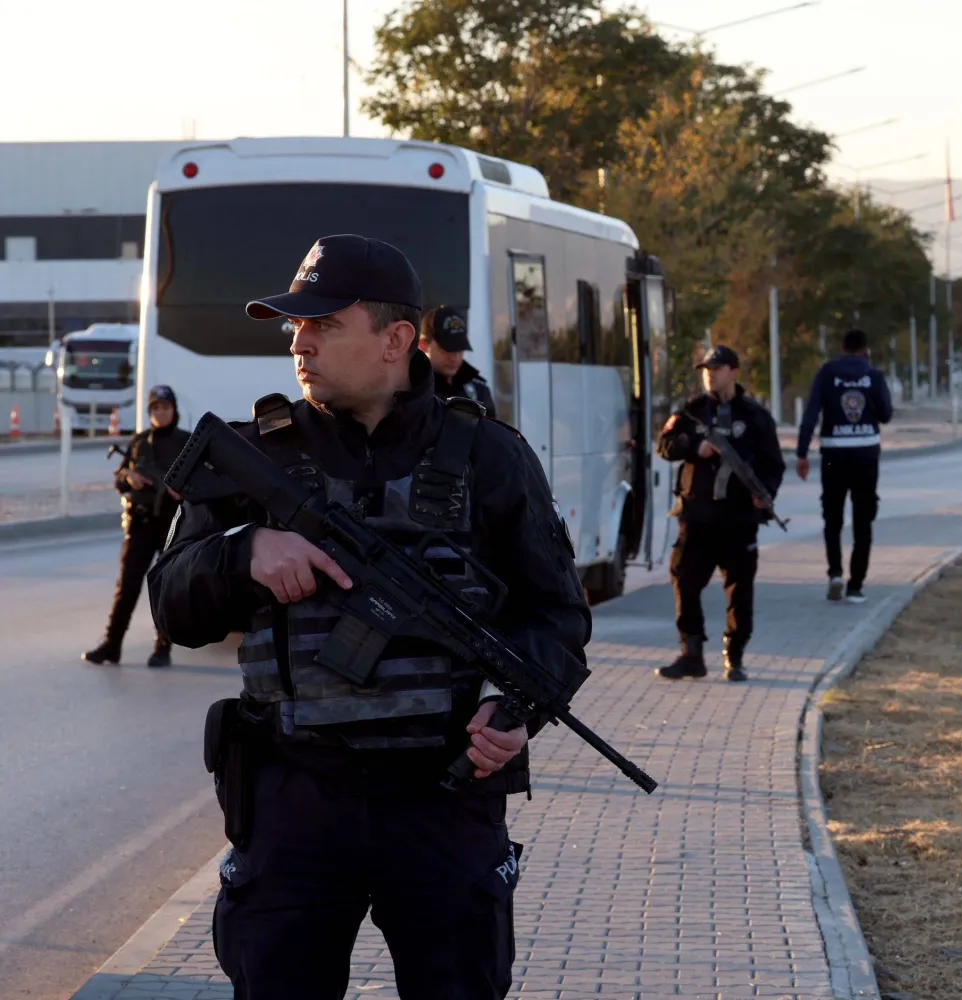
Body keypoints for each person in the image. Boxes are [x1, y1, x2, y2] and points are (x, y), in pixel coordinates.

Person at [146, 234, 589, 1000]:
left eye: (324, 324)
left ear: (396, 341)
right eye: (294, 327)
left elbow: (557, 615)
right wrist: (242, 552)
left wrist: (512, 707)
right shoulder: (253, 456)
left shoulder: (490, 457)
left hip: (443, 800)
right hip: (294, 800)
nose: (300, 342)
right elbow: (172, 604)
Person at [654, 346, 784, 682]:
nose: (710, 373)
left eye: (717, 367)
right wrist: (695, 448)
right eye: (706, 368)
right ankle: (691, 653)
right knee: (684, 580)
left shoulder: (755, 416)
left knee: (740, 590)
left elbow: (773, 465)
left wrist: (765, 495)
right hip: (697, 516)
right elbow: (664, 445)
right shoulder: (692, 411)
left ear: (734, 372)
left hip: (738, 520)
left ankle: (734, 656)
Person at [83, 384, 190, 667]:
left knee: (165, 588)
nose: (160, 413)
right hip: (140, 523)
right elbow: (119, 477)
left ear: (174, 410)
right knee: (126, 587)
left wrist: (179, 491)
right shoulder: (140, 441)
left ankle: (162, 647)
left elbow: (201, 481)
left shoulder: (186, 442)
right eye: (155, 408)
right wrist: (129, 477)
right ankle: (112, 644)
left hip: (170, 526)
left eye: (165, 408)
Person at [795, 329, 893, 605]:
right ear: (866, 350)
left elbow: (811, 414)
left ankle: (835, 573)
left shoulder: (827, 373)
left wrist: (802, 453)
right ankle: (856, 586)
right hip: (866, 455)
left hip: (832, 455)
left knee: (832, 516)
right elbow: (886, 415)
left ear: (841, 347)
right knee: (863, 520)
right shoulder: (873, 376)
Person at [421, 304, 497, 415]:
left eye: (459, 349)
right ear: (423, 345)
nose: (454, 358)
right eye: (446, 349)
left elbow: (492, 431)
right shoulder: (413, 390)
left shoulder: (479, 391)